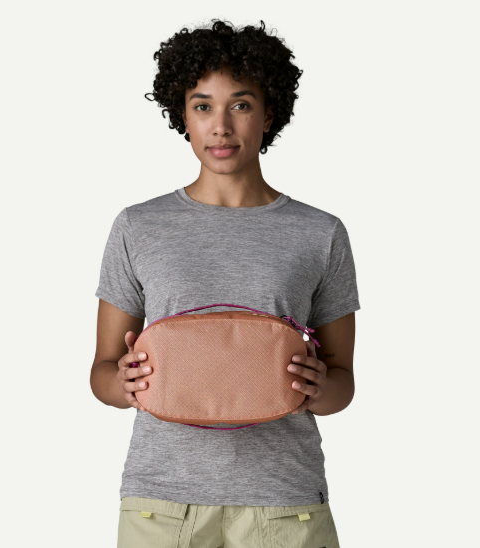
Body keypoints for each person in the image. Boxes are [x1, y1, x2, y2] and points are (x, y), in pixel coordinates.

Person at [91, 19, 360, 548]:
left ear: (269, 114)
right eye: (202, 106)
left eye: (240, 104)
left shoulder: (320, 232)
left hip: (285, 502)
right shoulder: (138, 226)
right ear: (182, 116)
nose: (221, 126)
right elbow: (102, 372)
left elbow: (343, 383)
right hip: (160, 503)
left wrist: (319, 388)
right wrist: (121, 383)